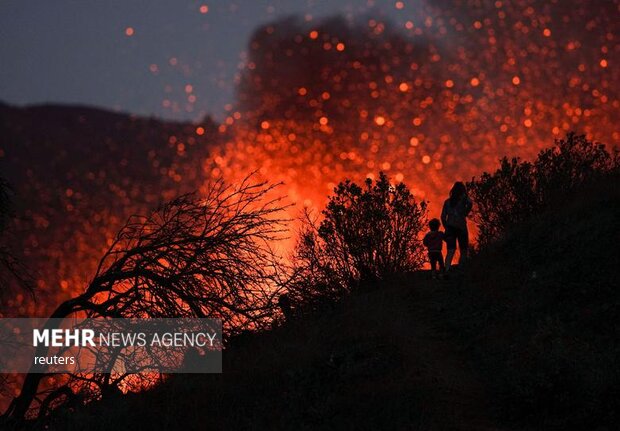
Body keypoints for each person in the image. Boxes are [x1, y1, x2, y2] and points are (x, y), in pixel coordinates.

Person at [441, 181, 472, 271]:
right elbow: (470, 203)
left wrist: (446, 227)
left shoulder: (447, 202)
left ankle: (446, 270)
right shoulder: (464, 200)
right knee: (463, 250)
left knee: (450, 250)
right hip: (461, 226)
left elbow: (443, 217)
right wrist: (465, 212)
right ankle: (462, 269)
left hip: (450, 227)